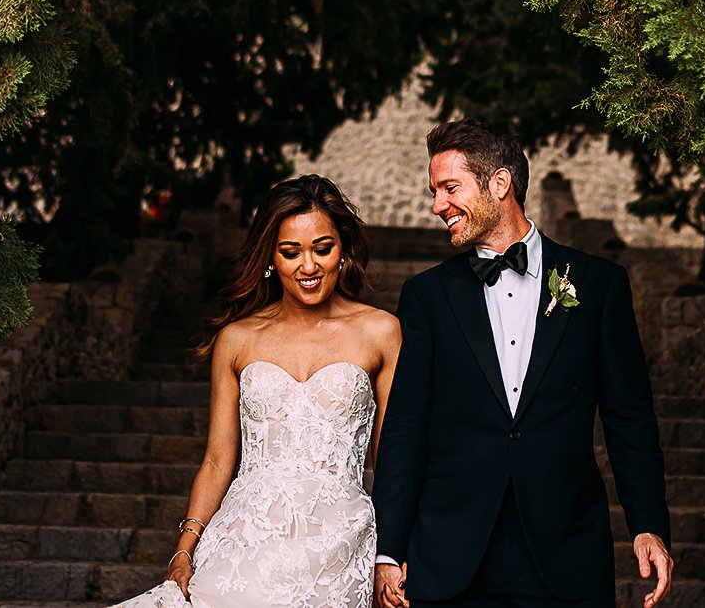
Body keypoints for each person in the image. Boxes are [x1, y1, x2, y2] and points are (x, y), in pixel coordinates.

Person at [373, 121, 673, 608]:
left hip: (566, 552)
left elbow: (629, 419)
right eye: (435, 192)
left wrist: (648, 526)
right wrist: (388, 551)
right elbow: (406, 429)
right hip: (451, 555)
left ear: (499, 183)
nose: (437, 206)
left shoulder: (599, 286)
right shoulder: (427, 296)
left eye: (450, 188)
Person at [111, 174, 399, 608]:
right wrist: (184, 550)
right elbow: (216, 459)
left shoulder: (380, 332)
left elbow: (392, 458)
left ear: (344, 250)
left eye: (323, 249)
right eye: (290, 252)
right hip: (244, 535)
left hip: (339, 541)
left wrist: (391, 555)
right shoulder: (237, 339)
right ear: (270, 257)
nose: (308, 266)